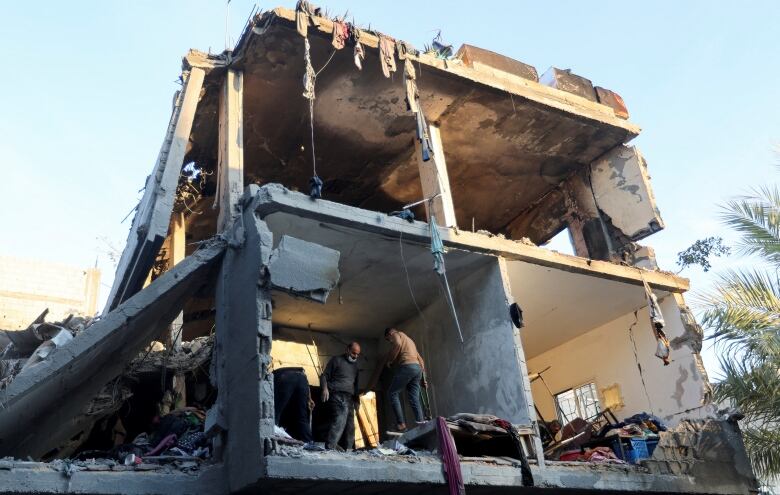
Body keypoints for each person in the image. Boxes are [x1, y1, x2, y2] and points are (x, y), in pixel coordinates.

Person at [367, 328, 426, 432]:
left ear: (390, 333)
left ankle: (401, 424)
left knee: (392, 393)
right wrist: (423, 378)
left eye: (388, 339)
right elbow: (421, 359)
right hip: (417, 369)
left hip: (407, 366)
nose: (390, 341)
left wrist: (390, 360)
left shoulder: (396, 334)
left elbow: (397, 345)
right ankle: (421, 423)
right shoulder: (410, 341)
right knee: (414, 398)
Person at [320, 342, 361, 450]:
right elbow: (324, 376)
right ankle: (330, 447)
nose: (355, 356)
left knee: (350, 426)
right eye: (353, 353)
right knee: (340, 419)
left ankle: (348, 450)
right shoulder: (336, 360)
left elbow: (356, 386)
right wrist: (325, 389)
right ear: (347, 349)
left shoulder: (356, 367)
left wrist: (357, 401)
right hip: (336, 394)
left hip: (349, 398)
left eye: (357, 354)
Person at [273, 367, 314, 443]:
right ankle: (308, 442)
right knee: (301, 415)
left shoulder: (273, 372)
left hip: (283, 376)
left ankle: (272, 440)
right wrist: (309, 398)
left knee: (275, 413)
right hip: (302, 377)